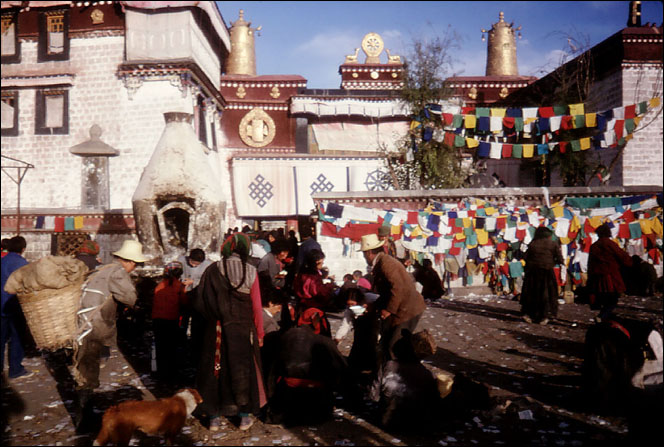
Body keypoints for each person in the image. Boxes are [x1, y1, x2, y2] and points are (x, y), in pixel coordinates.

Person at [72, 239, 148, 431]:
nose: (134, 268)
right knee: (88, 372)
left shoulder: (102, 269)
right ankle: (83, 422)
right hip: (93, 327)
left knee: (85, 368)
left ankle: (84, 416)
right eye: (135, 264)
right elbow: (130, 297)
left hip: (83, 324)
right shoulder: (118, 272)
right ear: (130, 262)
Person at [193, 233, 266, 432]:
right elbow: (256, 306)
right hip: (242, 329)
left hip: (215, 328)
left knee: (215, 369)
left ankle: (214, 418)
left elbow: (201, 301)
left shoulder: (212, 269)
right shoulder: (251, 271)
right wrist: (259, 333)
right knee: (242, 368)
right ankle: (243, 417)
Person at [359, 233, 426, 364]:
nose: (364, 257)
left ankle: (399, 377)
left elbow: (398, 288)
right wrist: (375, 305)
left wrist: (388, 310)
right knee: (388, 342)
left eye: (364, 254)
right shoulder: (382, 263)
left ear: (369, 253)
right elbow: (387, 292)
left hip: (408, 309)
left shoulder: (386, 263)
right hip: (402, 307)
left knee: (394, 347)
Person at [587, 223, 633, 322]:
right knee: (613, 299)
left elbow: (590, 264)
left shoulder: (594, 246)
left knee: (604, 298)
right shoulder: (610, 244)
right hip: (611, 276)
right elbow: (622, 256)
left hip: (597, 276)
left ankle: (604, 318)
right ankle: (602, 316)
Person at [1, 236, 31, 380]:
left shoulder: (2, 260)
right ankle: (15, 369)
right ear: (23, 249)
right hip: (14, 305)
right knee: (17, 337)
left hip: (1, 305)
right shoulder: (22, 264)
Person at [151, 261, 187, 382]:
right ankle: (171, 373)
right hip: (171, 320)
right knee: (171, 347)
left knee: (160, 346)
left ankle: (161, 372)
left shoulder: (159, 286)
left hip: (157, 319)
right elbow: (184, 302)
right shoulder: (179, 286)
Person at [520, 226, 563, 325]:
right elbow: (560, 259)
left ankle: (530, 314)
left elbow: (526, 257)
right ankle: (545, 316)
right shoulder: (553, 244)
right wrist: (552, 262)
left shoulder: (533, 244)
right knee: (547, 294)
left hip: (533, 273)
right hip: (547, 272)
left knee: (532, 294)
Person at [293, 248, 336, 313]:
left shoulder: (301, 273)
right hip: (312, 307)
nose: (323, 263)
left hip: (301, 305)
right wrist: (330, 286)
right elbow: (317, 292)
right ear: (316, 262)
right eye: (322, 261)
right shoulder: (312, 276)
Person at [257, 239, 289, 305]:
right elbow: (262, 277)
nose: (286, 255)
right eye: (284, 252)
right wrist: (276, 276)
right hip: (269, 292)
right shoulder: (268, 259)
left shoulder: (276, 260)